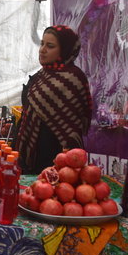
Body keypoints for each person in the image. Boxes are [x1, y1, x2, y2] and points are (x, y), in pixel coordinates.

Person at [14, 25, 93, 174]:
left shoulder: (73, 78)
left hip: (54, 152)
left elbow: (72, 125)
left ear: (64, 50)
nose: (42, 49)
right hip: (30, 150)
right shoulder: (40, 75)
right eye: (42, 43)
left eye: (50, 46)